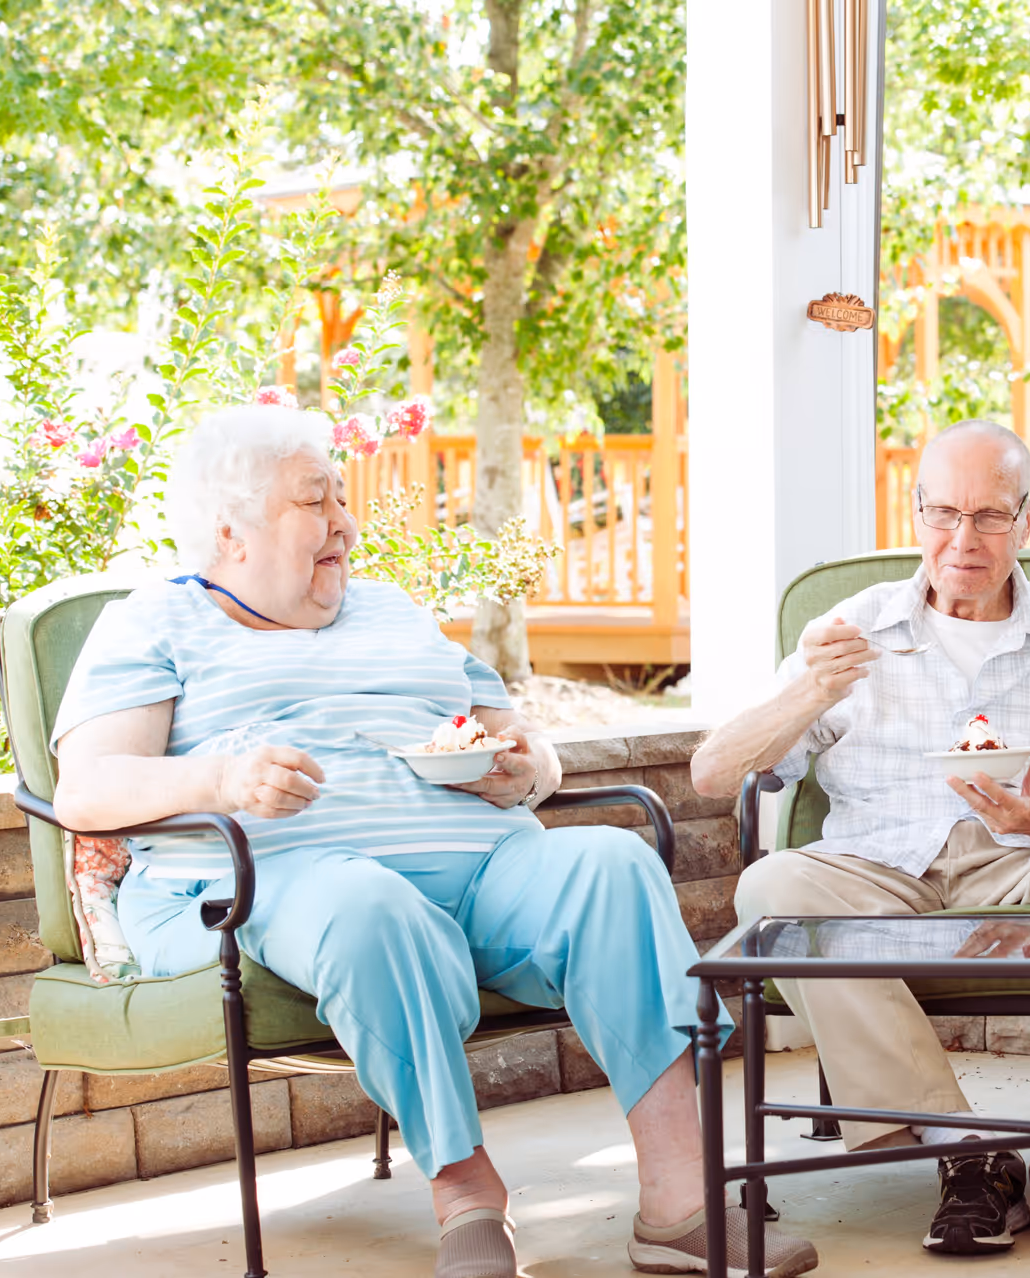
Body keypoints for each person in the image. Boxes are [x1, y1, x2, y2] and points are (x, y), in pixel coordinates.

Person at [51, 406, 818, 1278]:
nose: (344, 519)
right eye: (316, 501)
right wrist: (221, 779)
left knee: (610, 862)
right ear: (232, 534)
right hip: (281, 882)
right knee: (370, 905)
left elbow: (522, 740)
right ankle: (466, 1195)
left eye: (341, 495)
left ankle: (680, 1202)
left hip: (482, 862)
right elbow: (89, 787)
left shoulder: (393, 613)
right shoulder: (152, 623)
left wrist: (522, 770)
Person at [691, 419, 1030, 1260]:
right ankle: (965, 1153)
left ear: (1026, 522)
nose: (964, 539)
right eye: (944, 514)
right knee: (769, 891)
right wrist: (807, 692)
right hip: (881, 876)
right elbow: (715, 773)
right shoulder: (852, 630)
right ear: (916, 512)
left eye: (990, 516)